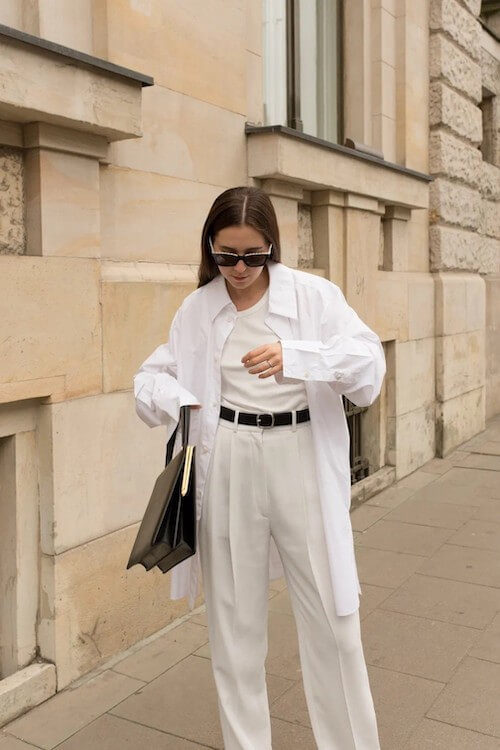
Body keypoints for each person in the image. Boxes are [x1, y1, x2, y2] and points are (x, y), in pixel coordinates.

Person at [133, 186, 385, 749]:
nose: (240, 268)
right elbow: (147, 382)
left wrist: (297, 357)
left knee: (334, 624)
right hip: (227, 461)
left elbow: (370, 367)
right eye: (227, 256)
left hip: (298, 453)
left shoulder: (314, 298)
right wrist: (177, 396)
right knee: (233, 629)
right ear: (210, 249)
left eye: (254, 254)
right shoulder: (198, 309)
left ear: (272, 246)